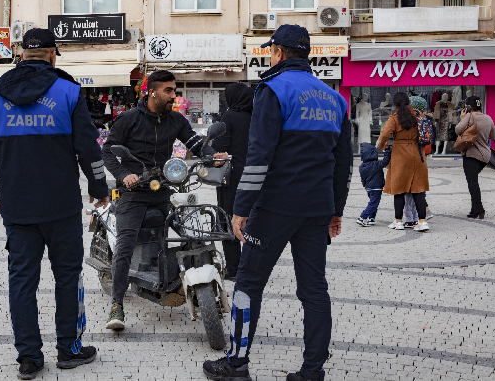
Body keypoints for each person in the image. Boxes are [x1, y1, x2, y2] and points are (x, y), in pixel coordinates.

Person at [202, 24, 352, 381]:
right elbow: (343, 162)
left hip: (274, 207)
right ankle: (312, 371)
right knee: (315, 290)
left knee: (249, 285)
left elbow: (259, 156)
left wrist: (240, 209)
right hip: (317, 209)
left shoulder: (272, 89)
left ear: (279, 53)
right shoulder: (335, 98)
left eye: (271, 51)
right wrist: (336, 210)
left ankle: (236, 364)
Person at [0, 28, 110, 380]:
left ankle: (29, 358)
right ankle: (69, 348)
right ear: (53, 55)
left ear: (20, 54)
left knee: (22, 280)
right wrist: (99, 187)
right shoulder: (68, 91)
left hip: (17, 208)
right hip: (61, 205)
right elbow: (89, 148)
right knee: (67, 277)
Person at [102, 70, 228, 330]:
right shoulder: (129, 120)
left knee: (192, 231)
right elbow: (107, 151)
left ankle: (196, 282)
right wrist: (124, 174)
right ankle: (116, 305)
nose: (173, 95)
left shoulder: (176, 120)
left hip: (164, 190)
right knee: (125, 245)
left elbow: (195, 143)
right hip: (134, 193)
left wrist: (212, 155)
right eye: (169, 91)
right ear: (153, 92)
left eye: (174, 90)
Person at [212, 83, 254, 280]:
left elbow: (220, 147)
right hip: (256, 175)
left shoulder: (230, 116)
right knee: (252, 219)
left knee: (227, 219)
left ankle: (234, 268)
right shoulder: (256, 116)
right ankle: (252, 264)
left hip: (233, 176)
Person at [377, 93, 430, 232]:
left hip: (400, 153)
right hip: (418, 152)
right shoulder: (418, 115)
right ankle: (422, 222)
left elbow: (384, 134)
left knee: (399, 188)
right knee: (418, 189)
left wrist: (381, 146)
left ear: (395, 104)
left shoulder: (395, 117)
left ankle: (398, 221)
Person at [456, 96, 495, 219]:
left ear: (469, 106)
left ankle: (478, 208)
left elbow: (458, 130)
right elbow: (492, 135)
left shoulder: (469, 116)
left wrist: (462, 118)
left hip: (472, 153)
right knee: (473, 179)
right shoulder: (488, 118)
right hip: (485, 155)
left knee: (472, 181)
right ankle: (474, 210)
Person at [356, 143, 391, 227]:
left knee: (372, 202)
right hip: (377, 188)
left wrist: (365, 186)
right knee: (373, 203)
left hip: (368, 188)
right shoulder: (376, 164)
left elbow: (363, 178)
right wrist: (387, 151)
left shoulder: (362, 166)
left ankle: (371, 217)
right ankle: (362, 217)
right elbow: (386, 161)